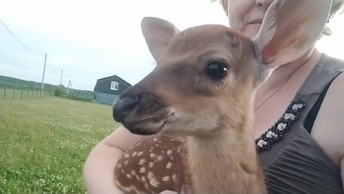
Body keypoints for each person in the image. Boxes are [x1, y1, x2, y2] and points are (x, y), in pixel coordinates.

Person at [83, 0, 344, 193]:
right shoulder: (186, 88)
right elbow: (108, 150)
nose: (263, 0)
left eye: (216, 70)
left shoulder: (337, 92)